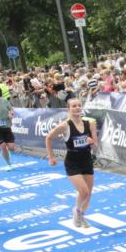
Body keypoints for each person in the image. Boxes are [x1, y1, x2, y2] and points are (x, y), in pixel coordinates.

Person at [45, 98, 99, 228]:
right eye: (74, 106)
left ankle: (81, 215)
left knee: (88, 194)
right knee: (84, 191)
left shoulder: (90, 124)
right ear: (68, 109)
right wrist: (51, 157)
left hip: (87, 160)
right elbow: (48, 137)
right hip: (72, 162)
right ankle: (77, 211)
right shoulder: (65, 125)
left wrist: (91, 142)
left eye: (79, 105)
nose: (77, 108)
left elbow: (95, 146)